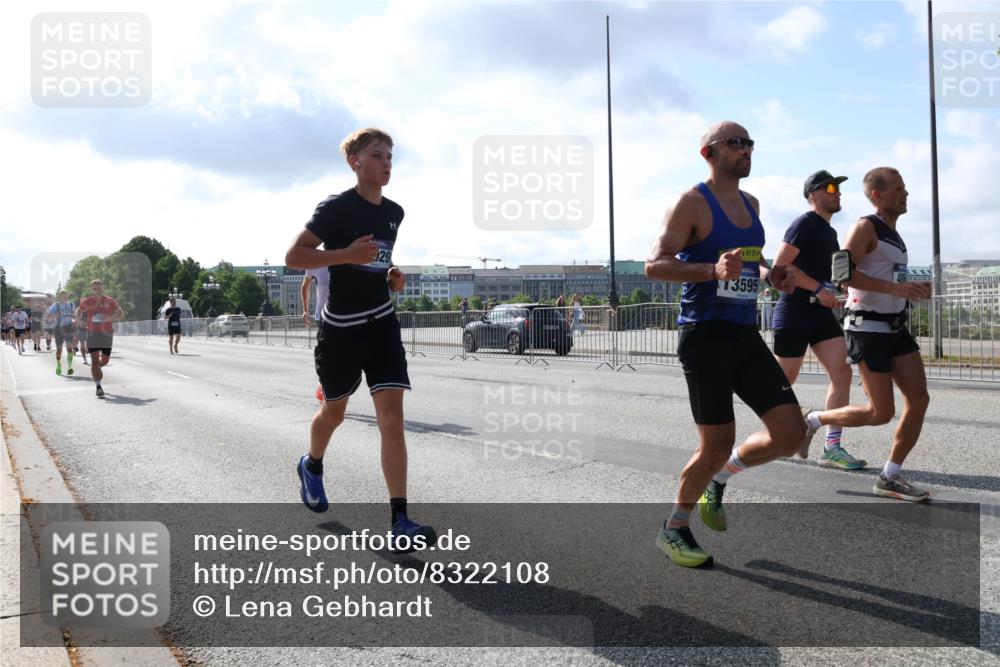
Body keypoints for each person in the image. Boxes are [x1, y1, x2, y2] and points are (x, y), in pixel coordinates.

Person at [644, 121, 804, 568]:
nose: (746, 150)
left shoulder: (751, 203)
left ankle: (719, 479)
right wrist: (710, 271)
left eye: (750, 143)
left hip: (745, 333)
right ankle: (673, 528)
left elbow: (749, 261)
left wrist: (772, 275)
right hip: (705, 336)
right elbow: (655, 266)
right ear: (708, 153)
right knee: (714, 443)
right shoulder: (691, 203)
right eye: (736, 143)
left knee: (790, 434)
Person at [285, 127, 436, 552]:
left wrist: (393, 276)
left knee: (393, 419)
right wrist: (344, 255)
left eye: (390, 155)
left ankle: (400, 519)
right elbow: (294, 256)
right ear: (355, 162)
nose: (386, 162)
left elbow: (379, 259)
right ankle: (311, 464)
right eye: (377, 155)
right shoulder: (336, 208)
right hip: (340, 331)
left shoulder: (395, 212)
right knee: (333, 414)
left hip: (382, 324)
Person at [801, 167, 933, 502]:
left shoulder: (896, 237)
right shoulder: (865, 227)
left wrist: (912, 290)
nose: (906, 194)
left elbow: (891, 279)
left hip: (895, 326)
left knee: (919, 398)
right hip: (867, 327)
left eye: (905, 188)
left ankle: (890, 476)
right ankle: (814, 420)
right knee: (880, 413)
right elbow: (841, 273)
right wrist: (893, 287)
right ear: (877, 194)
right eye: (899, 189)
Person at [771, 170, 864, 470]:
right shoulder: (804, 223)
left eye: (839, 188)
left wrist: (838, 287)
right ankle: (783, 430)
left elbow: (823, 275)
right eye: (831, 188)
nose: (838, 193)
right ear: (813, 195)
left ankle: (832, 446)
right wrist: (818, 288)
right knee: (782, 382)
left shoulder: (830, 232)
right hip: (795, 310)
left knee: (842, 373)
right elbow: (780, 267)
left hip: (820, 312)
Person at [76, 279, 124, 397]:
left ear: (103, 288)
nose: (97, 290)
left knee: (105, 360)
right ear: (91, 289)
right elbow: (78, 310)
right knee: (94, 361)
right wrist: (79, 321)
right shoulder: (87, 301)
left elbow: (121, 314)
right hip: (92, 334)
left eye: (99, 288)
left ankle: (97, 369)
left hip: (107, 334)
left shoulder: (110, 300)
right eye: (94, 288)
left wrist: (110, 318)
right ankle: (98, 386)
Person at [301, 266, 331, 401]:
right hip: (323, 317)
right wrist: (305, 310)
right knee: (327, 355)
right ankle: (324, 386)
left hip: (343, 315)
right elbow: (305, 286)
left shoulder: (345, 258)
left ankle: (330, 387)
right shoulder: (316, 261)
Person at [46, 291, 77, 376]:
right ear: (59, 296)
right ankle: (58, 365)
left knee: (69, 348)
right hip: (58, 328)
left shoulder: (71, 305)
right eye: (62, 295)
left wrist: (74, 320)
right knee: (59, 349)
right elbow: (48, 316)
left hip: (68, 327)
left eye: (65, 295)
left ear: (67, 296)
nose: (64, 297)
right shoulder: (56, 305)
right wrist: (54, 316)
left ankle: (70, 367)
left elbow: (74, 316)